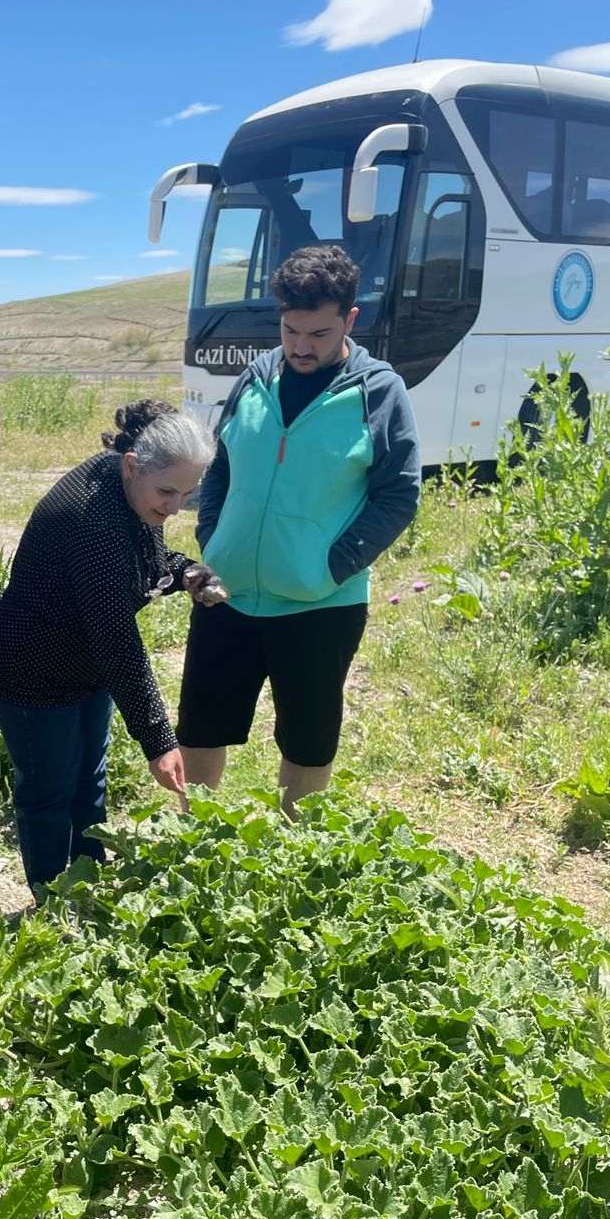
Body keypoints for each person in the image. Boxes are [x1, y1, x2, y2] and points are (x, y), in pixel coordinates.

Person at [177, 244, 421, 813]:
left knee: (308, 740)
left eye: (318, 333)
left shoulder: (378, 391)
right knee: (201, 726)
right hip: (226, 592)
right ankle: (191, 840)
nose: (300, 347)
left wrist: (331, 566)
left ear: (350, 321)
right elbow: (220, 465)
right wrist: (213, 539)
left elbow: (399, 494)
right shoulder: (254, 377)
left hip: (321, 603)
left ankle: (293, 854)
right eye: (290, 330)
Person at [0, 401, 221, 896]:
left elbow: (143, 559)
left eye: (187, 493)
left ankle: (90, 886)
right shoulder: (90, 518)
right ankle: (51, 904)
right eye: (167, 492)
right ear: (133, 464)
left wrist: (185, 573)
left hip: (85, 662)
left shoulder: (130, 489)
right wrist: (158, 739)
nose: (175, 507)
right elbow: (117, 639)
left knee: (88, 784)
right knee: (49, 795)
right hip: (35, 665)